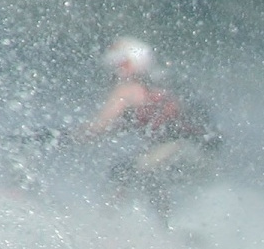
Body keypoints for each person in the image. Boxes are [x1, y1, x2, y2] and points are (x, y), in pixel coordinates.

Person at [80, 36, 217, 222]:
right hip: (205, 154)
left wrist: (50, 136)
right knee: (146, 171)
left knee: (127, 171)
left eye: (120, 65)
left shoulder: (130, 90)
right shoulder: (165, 80)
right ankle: (166, 227)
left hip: (183, 148)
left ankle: (105, 226)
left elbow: (95, 130)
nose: (116, 72)